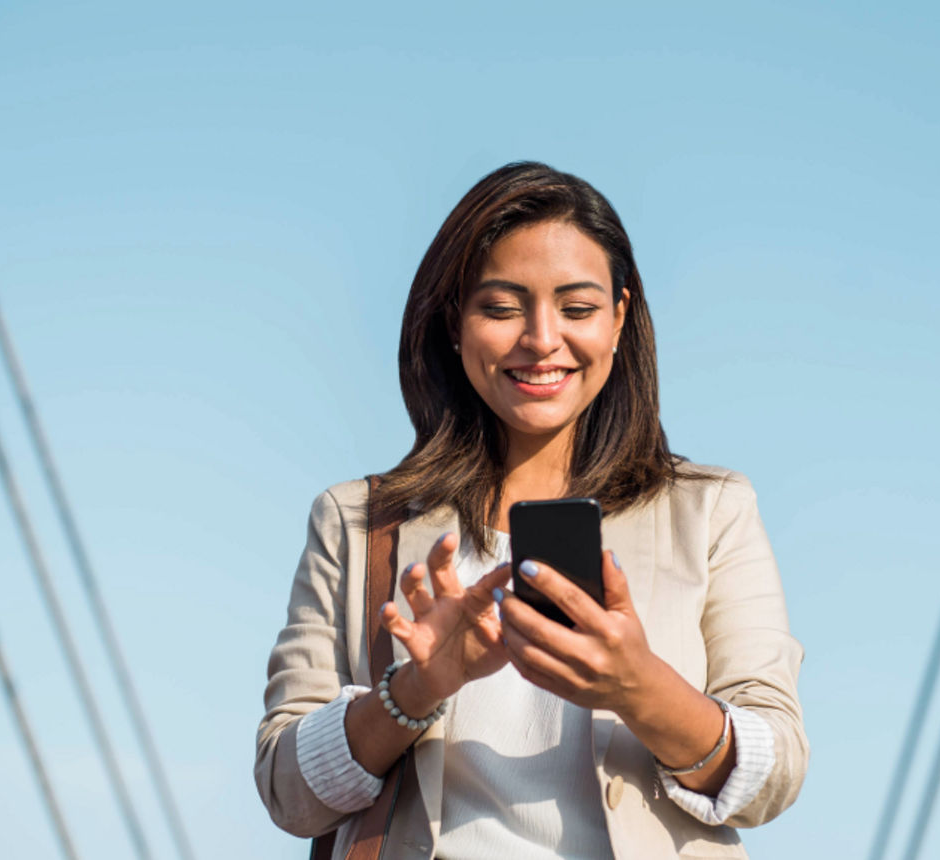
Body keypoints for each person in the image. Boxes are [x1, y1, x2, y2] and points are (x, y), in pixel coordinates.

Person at [255, 162, 808, 860]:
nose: (542, 339)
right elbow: (287, 790)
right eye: (503, 307)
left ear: (618, 319)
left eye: (576, 309)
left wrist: (639, 686)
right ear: (454, 324)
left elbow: (775, 773)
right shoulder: (358, 521)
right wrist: (417, 688)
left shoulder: (711, 511)